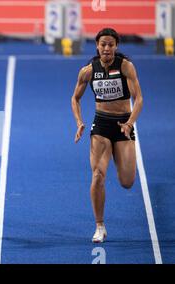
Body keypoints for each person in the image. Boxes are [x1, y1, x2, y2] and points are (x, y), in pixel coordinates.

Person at [71, 28, 143, 243]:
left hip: (123, 125)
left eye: (111, 44)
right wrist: (79, 122)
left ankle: (119, 156)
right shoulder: (88, 71)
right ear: (97, 45)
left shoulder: (126, 67)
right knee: (97, 175)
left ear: (116, 46)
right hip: (101, 124)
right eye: (103, 44)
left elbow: (138, 99)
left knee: (127, 182)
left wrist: (130, 124)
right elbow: (75, 98)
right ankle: (99, 226)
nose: (107, 48)